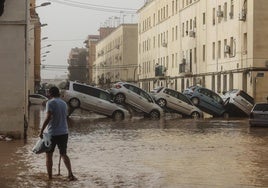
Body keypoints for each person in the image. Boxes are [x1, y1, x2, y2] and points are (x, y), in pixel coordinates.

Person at [39, 86, 76, 181]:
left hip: (53, 133)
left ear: (50, 94)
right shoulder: (64, 103)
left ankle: (50, 178)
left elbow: (48, 117)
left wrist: (41, 130)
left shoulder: (50, 103)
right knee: (64, 153)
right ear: (58, 93)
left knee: (49, 155)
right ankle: (70, 174)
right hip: (64, 132)